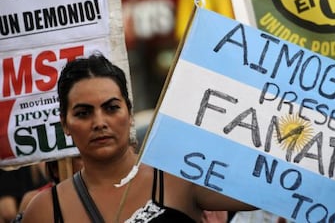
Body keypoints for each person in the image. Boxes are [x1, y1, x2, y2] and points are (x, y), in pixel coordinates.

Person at [22, 53, 255, 223]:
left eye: (111, 108)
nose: (99, 122)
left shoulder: (180, 178)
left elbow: (270, 191)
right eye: (83, 113)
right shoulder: (45, 211)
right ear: (65, 124)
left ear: (130, 114)